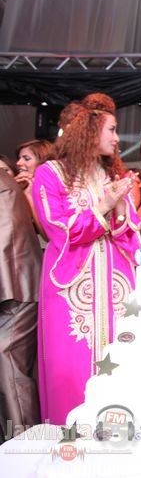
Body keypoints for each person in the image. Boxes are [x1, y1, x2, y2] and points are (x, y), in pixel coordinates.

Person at [31, 103, 141, 424]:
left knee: (120, 358)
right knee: (70, 365)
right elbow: (58, 228)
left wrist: (119, 208)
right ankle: (72, 436)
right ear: (90, 133)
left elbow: (131, 233)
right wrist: (104, 205)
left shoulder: (112, 175)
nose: (117, 138)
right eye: (112, 130)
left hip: (115, 286)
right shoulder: (50, 174)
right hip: (72, 288)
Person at [0, 169, 42, 438]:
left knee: (8, 363)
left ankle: (23, 443)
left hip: (18, 290)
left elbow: (6, 246)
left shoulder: (3, 186)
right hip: (13, 289)